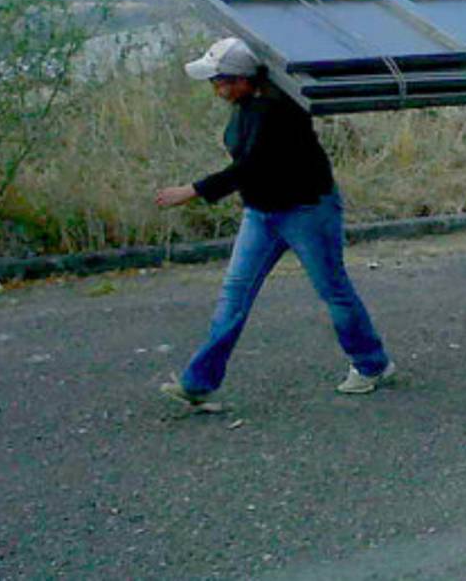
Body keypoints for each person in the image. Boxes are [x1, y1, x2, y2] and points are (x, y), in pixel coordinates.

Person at [155, 37, 394, 402]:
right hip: (261, 212)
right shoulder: (248, 103)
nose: (215, 89)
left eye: (219, 81)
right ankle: (198, 384)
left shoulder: (280, 110)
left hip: (307, 212)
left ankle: (372, 364)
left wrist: (192, 190)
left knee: (333, 291)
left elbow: (249, 167)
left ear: (242, 79)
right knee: (234, 295)